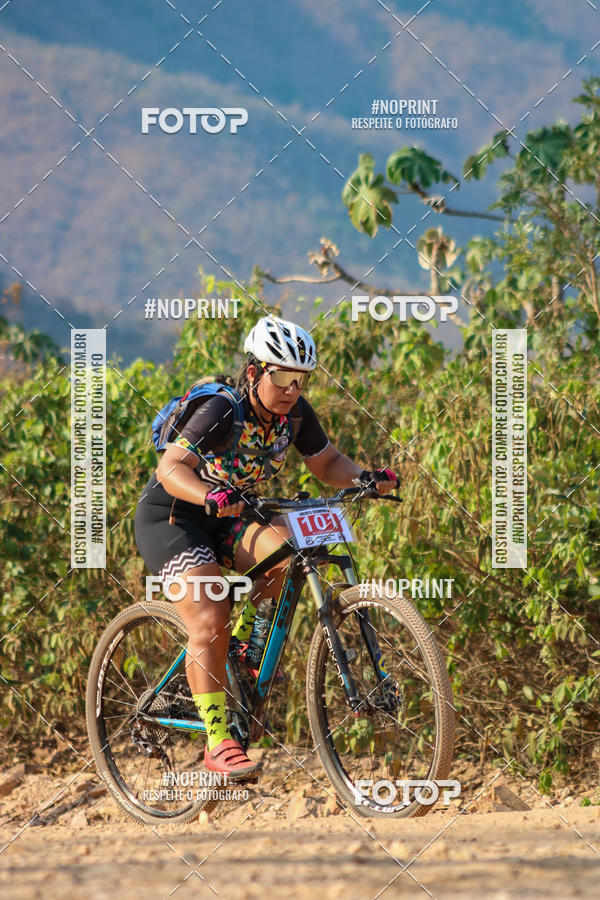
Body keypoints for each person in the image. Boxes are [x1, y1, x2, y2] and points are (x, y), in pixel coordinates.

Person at [134, 315, 398, 779]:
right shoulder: (221, 409)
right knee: (211, 614)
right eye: (283, 377)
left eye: (301, 379)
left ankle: (244, 650)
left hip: (235, 513)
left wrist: (364, 479)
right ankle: (218, 742)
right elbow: (170, 467)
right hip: (175, 515)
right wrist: (208, 494)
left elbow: (328, 462)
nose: (293, 389)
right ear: (255, 372)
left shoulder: (294, 415)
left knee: (289, 547)